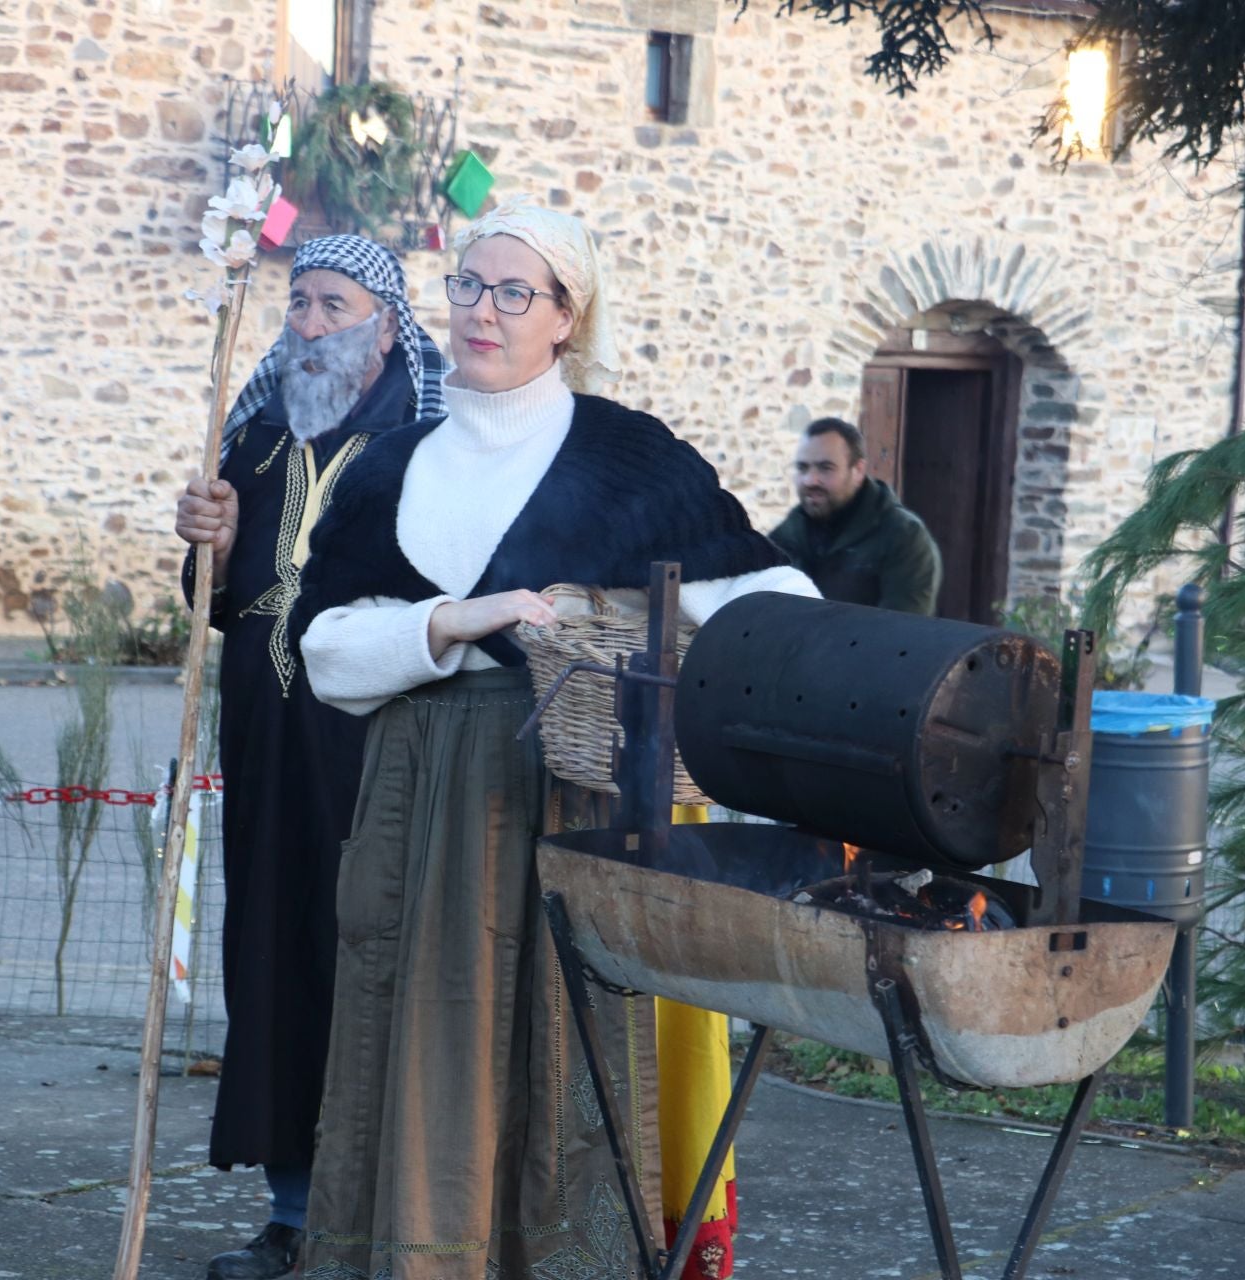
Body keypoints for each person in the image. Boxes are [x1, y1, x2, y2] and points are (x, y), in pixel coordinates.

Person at [292, 198, 817, 1280]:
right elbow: (328, 652)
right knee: (428, 1040)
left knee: (571, 1043)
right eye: (468, 286)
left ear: (567, 315)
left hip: (579, 795)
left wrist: (638, 633)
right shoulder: (388, 466)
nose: (483, 311)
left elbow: (779, 590)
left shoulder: (630, 459)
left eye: (514, 291)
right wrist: (449, 621)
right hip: (423, 806)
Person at [172, 234, 447, 1280]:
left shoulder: (426, 448)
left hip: (377, 752)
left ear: (386, 327)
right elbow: (214, 605)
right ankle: (291, 1212)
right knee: (276, 957)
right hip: (268, 748)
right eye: (299, 305)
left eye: (334, 304)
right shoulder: (250, 441)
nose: (310, 323)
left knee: (374, 961)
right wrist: (209, 539)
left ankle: (388, 1205)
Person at [769, 417, 943, 614]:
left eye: (825, 468)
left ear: (858, 470)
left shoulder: (903, 537)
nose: (810, 480)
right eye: (803, 468)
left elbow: (903, 632)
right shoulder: (784, 538)